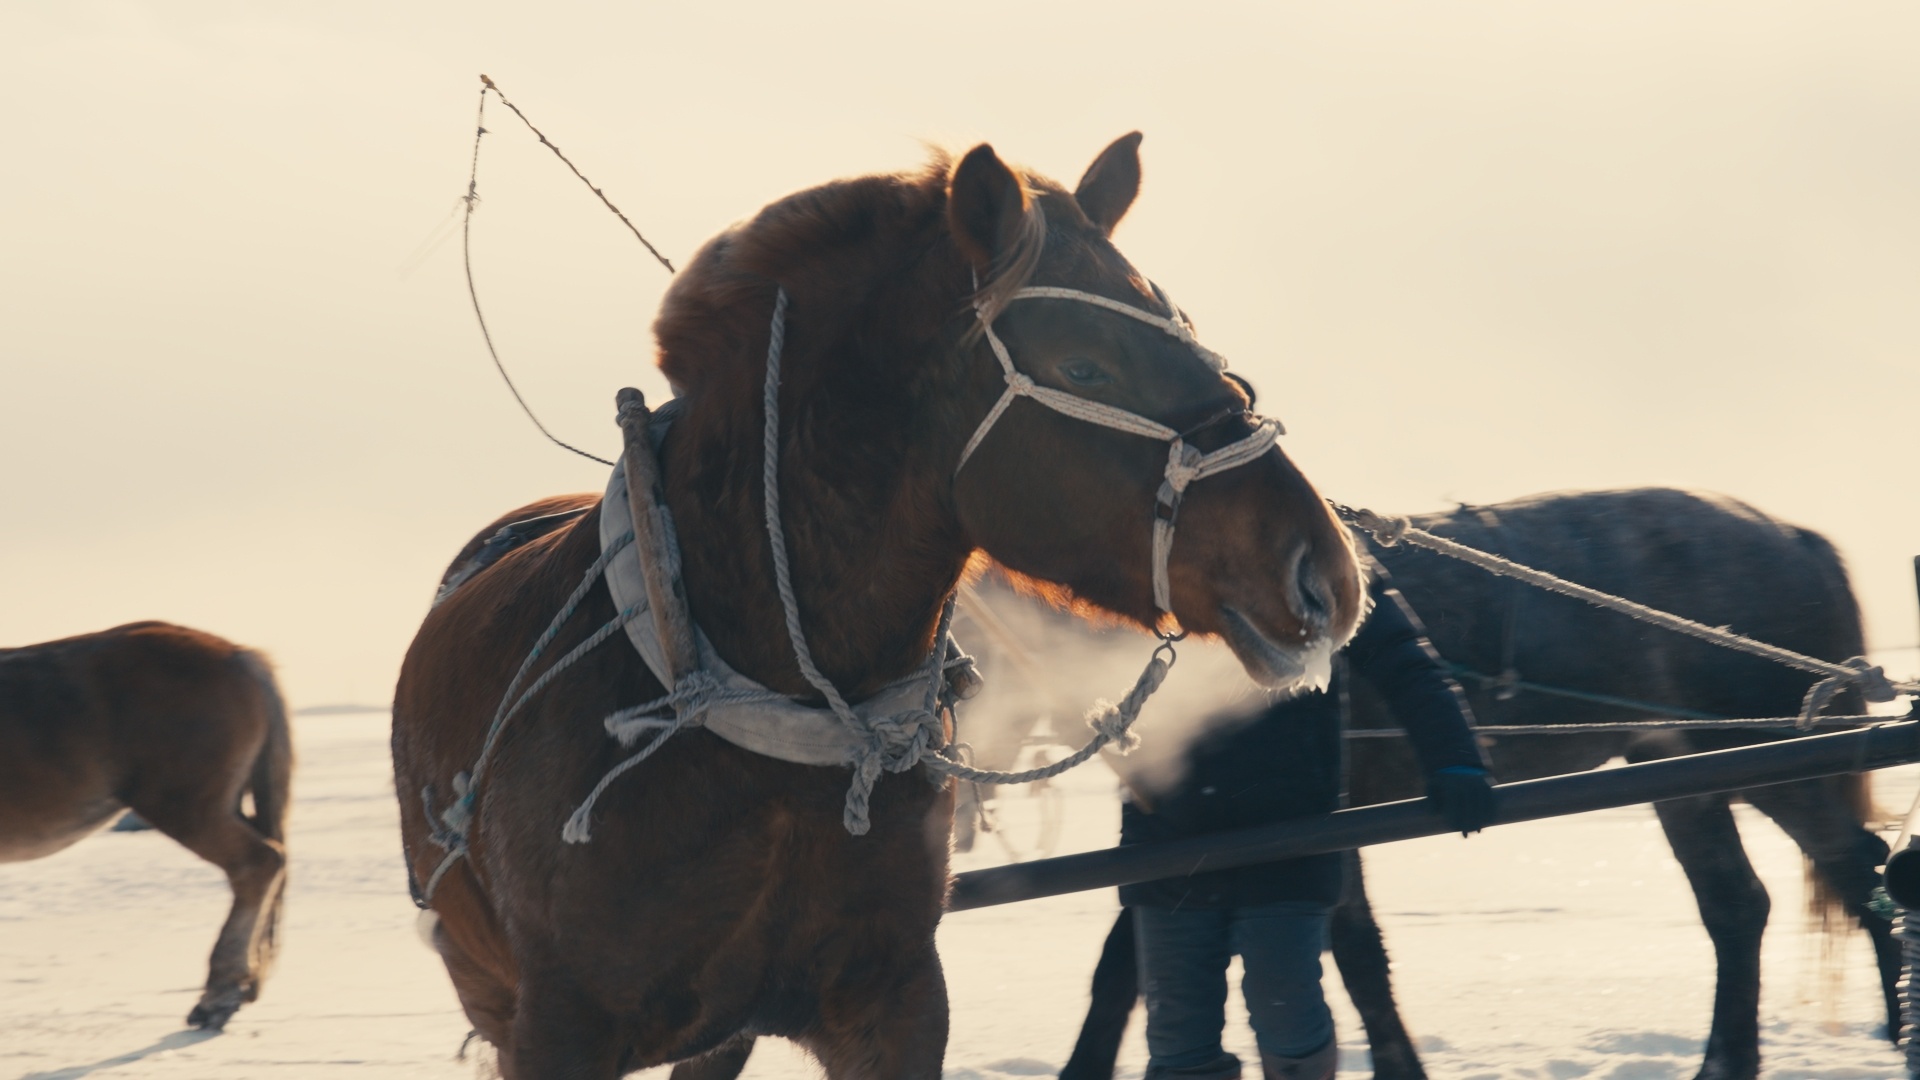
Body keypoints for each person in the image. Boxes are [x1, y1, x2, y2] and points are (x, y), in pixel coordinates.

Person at [1100, 568, 1497, 1080]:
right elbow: (1065, 647)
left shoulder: (1308, 550)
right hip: (1169, 839)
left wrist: (1453, 759)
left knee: (1284, 1006)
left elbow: (1402, 661)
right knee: (1177, 1029)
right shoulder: (1135, 549)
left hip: (1288, 835)